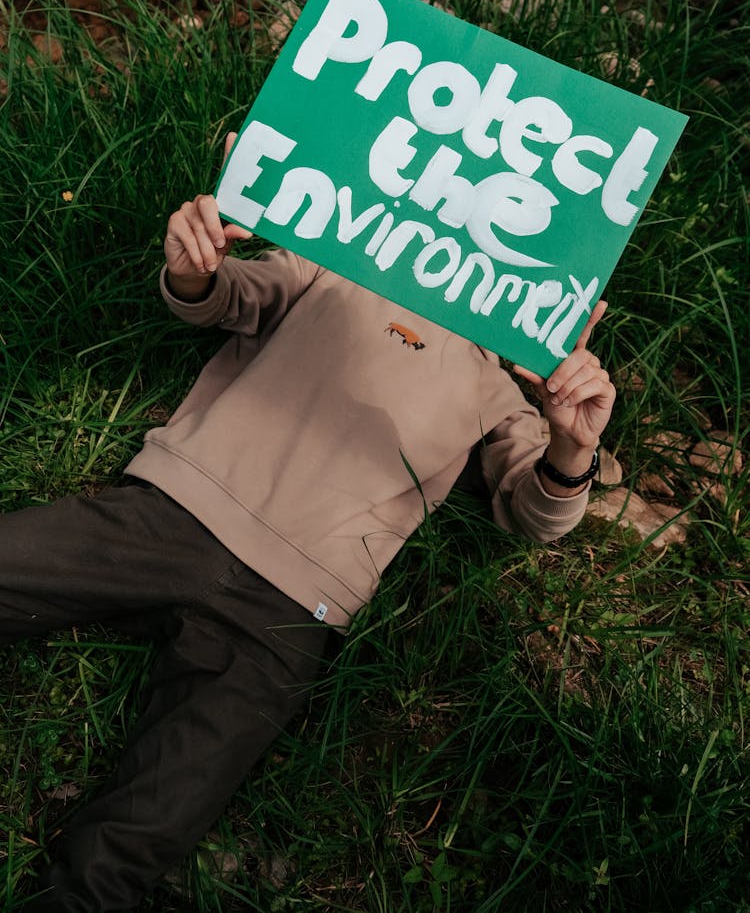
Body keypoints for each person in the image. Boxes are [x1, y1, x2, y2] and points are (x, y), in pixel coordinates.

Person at [5, 133, 616, 911]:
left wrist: (571, 442)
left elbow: (535, 512)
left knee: (130, 849)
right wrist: (195, 270)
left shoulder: (501, 388)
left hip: (288, 613)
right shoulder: (341, 263)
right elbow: (228, 296)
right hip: (170, 514)